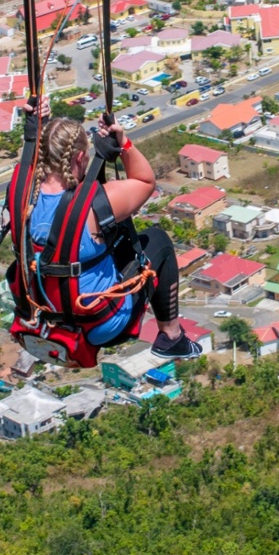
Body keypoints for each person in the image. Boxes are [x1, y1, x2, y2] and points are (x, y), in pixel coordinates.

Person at [28, 99, 202, 360]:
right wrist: (122, 144)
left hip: (48, 313)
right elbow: (145, 181)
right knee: (157, 239)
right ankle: (171, 335)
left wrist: (33, 129)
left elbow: (30, 162)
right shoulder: (94, 205)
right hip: (101, 323)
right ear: (78, 157)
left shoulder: (22, 193)